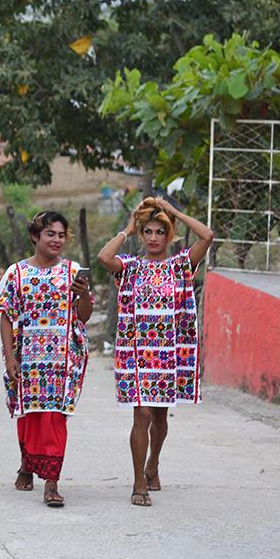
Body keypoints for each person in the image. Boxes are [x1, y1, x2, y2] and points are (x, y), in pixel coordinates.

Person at [97, 196, 213, 508]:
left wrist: (173, 212)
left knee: (160, 415)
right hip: (136, 352)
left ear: (168, 234)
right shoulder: (130, 268)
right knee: (142, 413)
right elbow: (104, 256)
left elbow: (208, 236)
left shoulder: (180, 266)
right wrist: (127, 227)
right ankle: (138, 482)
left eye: (159, 232)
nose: (152, 238)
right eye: (147, 232)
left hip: (168, 353)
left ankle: (154, 464)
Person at [0, 211, 92, 508]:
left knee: (55, 418)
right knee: (31, 417)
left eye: (61, 235)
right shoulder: (16, 273)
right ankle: (27, 463)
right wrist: (10, 358)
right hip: (27, 358)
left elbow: (84, 316)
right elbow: (6, 318)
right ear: (35, 236)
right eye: (50, 234)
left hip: (63, 360)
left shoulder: (72, 272)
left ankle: (52, 482)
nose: (57, 240)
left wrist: (83, 295)